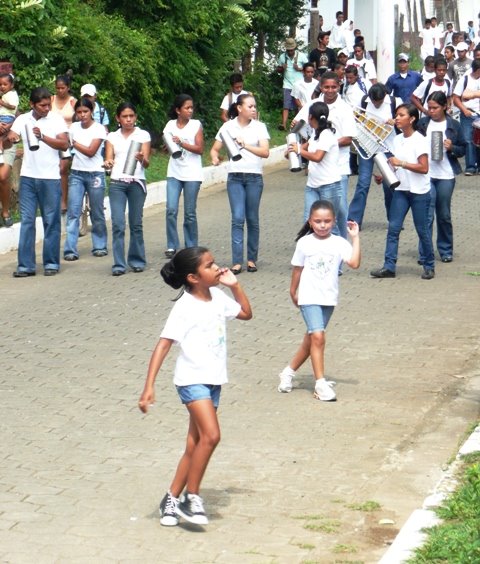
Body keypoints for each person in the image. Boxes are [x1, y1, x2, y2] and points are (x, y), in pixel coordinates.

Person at [138, 246, 252, 526]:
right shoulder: (184, 307)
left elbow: (246, 314)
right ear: (193, 277)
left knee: (195, 444)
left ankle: (171, 500)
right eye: (210, 266)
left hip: (214, 380)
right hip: (191, 380)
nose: (218, 269)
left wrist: (235, 286)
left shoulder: (217, 296)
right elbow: (163, 344)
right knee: (211, 436)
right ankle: (192, 496)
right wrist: (148, 386)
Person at [277, 200, 360, 401]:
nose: (322, 225)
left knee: (312, 338)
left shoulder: (339, 242)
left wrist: (355, 238)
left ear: (334, 221)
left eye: (327, 221)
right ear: (310, 221)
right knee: (319, 337)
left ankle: (288, 372)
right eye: (318, 221)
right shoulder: (304, 243)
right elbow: (297, 269)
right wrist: (292, 290)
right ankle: (320, 384)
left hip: (328, 297)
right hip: (308, 296)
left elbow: (355, 263)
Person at [7, 87, 69, 277]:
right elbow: (10, 140)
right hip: (28, 177)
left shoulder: (56, 119)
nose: (46, 108)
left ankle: (51, 263)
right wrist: (11, 137)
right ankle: (26, 266)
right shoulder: (22, 119)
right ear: (32, 104)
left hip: (50, 178)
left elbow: (64, 144)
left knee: (51, 221)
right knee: (27, 221)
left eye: (48, 104)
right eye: (42, 105)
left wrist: (42, 137)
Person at [370, 104, 435, 280]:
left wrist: (402, 164)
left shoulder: (420, 140)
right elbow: (394, 164)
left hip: (419, 192)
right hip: (401, 190)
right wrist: (383, 176)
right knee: (393, 228)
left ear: (412, 119)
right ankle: (389, 266)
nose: (397, 118)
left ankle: (429, 265)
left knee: (422, 230)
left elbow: (424, 168)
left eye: (401, 115)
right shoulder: (397, 140)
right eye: (396, 115)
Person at [210, 94, 270, 274]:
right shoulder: (228, 126)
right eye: (250, 106)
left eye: (254, 106)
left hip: (254, 177)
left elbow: (265, 152)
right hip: (235, 177)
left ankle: (251, 259)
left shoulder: (259, 127)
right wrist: (214, 157)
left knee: (252, 218)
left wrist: (245, 146)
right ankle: (237, 262)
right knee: (237, 218)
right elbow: (214, 148)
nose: (253, 109)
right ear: (239, 108)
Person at [295, 72, 356, 240]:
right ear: (320, 86)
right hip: (316, 175)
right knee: (311, 215)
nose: (330, 90)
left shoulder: (345, 108)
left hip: (338, 168)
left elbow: (349, 138)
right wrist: (303, 143)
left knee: (340, 211)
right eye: (326, 87)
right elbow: (298, 124)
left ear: (339, 86)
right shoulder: (313, 104)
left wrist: (327, 144)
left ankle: (341, 247)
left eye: (334, 87)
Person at [417, 91, 466, 263]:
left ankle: (445, 250)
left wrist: (452, 147)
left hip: (446, 174)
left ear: (444, 107)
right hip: (426, 174)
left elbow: (463, 149)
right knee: (426, 214)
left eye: (435, 108)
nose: (431, 111)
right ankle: (425, 252)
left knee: (443, 214)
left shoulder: (453, 125)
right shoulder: (422, 124)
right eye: (429, 108)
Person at [104, 102, 151, 276]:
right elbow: (109, 159)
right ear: (118, 118)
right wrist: (108, 163)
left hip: (136, 182)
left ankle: (137, 260)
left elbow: (147, 162)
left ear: (135, 117)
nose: (128, 119)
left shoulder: (143, 135)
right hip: (117, 183)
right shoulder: (112, 137)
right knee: (118, 224)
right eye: (125, 116)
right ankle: (118, 264)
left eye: (131, 116)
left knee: (136, 223)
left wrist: (141, 158)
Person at [63, 98, 108, 261]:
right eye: (79, 112)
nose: (82, 115)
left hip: (95, 173)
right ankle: (70, 249)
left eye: (85, 111)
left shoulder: (99, 129)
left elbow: (91, 151)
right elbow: (65, 146)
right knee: (73, 212)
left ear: (91, 112)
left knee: (96, 212)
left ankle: (100, 245)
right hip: (76, 173)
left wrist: (73, 143)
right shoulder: (73, 127)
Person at [348, 83, 397, 228]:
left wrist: (395, 122)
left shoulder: (394, 102)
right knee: (363, 183)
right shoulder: (363, 101)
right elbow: (354, 118)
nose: (376, 104)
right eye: (374, 101)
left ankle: (394, 219)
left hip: (387, 147)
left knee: (390, 184)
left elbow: (405, 119)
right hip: (366, 147)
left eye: (379, 101)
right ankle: (354, 219)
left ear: (384, 97)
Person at [163, 94, 204, 258]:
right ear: (178, 110)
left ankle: (191, 245)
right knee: (171, 209)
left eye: (191, 107)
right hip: (174, 172)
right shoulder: (170, 125)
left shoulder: (196, 125)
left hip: (192, 173)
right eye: (187, 108)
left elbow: (200, 149)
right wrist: (168, 146)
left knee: (189, 212)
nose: (190, 111)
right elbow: (165, 145)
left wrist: (182, 143)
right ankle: (172, 244)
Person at [287, 101, 342, 223]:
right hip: (312, 185)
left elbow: (318, 157)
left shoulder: (327, 134)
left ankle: (342, 242)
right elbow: (304, 146)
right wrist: (291, 150)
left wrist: (299, 150)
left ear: (310, 117)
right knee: (309, 222)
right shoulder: (315, 134)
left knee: (330, 225)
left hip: (329, 185)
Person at [50, 75, 77, 213]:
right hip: (51, 138)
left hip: (67, 139)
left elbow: (79, 119)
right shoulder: (51, 100)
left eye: (63, 88)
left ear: (68, 87)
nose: (60, 90)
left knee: (62, 169)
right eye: (58, 88)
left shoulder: (73, 102)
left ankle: (64, 201)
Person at [452, 59, 480, 175]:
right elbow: (455, 97)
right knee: (469, 140)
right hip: (468, 114)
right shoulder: (465, 80)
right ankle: (470, 166)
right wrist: (464, 109)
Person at [276, 38, 308, 131]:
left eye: (291, 50)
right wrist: (282, 68)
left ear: (294, 48)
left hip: (299, 85)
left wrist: (300, 69)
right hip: (287, 84)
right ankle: (284, 124)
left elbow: (309, 68)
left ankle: (297, 125)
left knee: (298, 105)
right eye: (288, 50)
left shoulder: (301, 56)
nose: (290, 51)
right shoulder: (282, 57)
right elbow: (278, 70)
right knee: (286, 105)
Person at [0, 73, 19, 227]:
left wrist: (9, 127)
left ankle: (5, 211)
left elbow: (17, 118)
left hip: (7, 143)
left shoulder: (10, 98)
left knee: (3, 176)